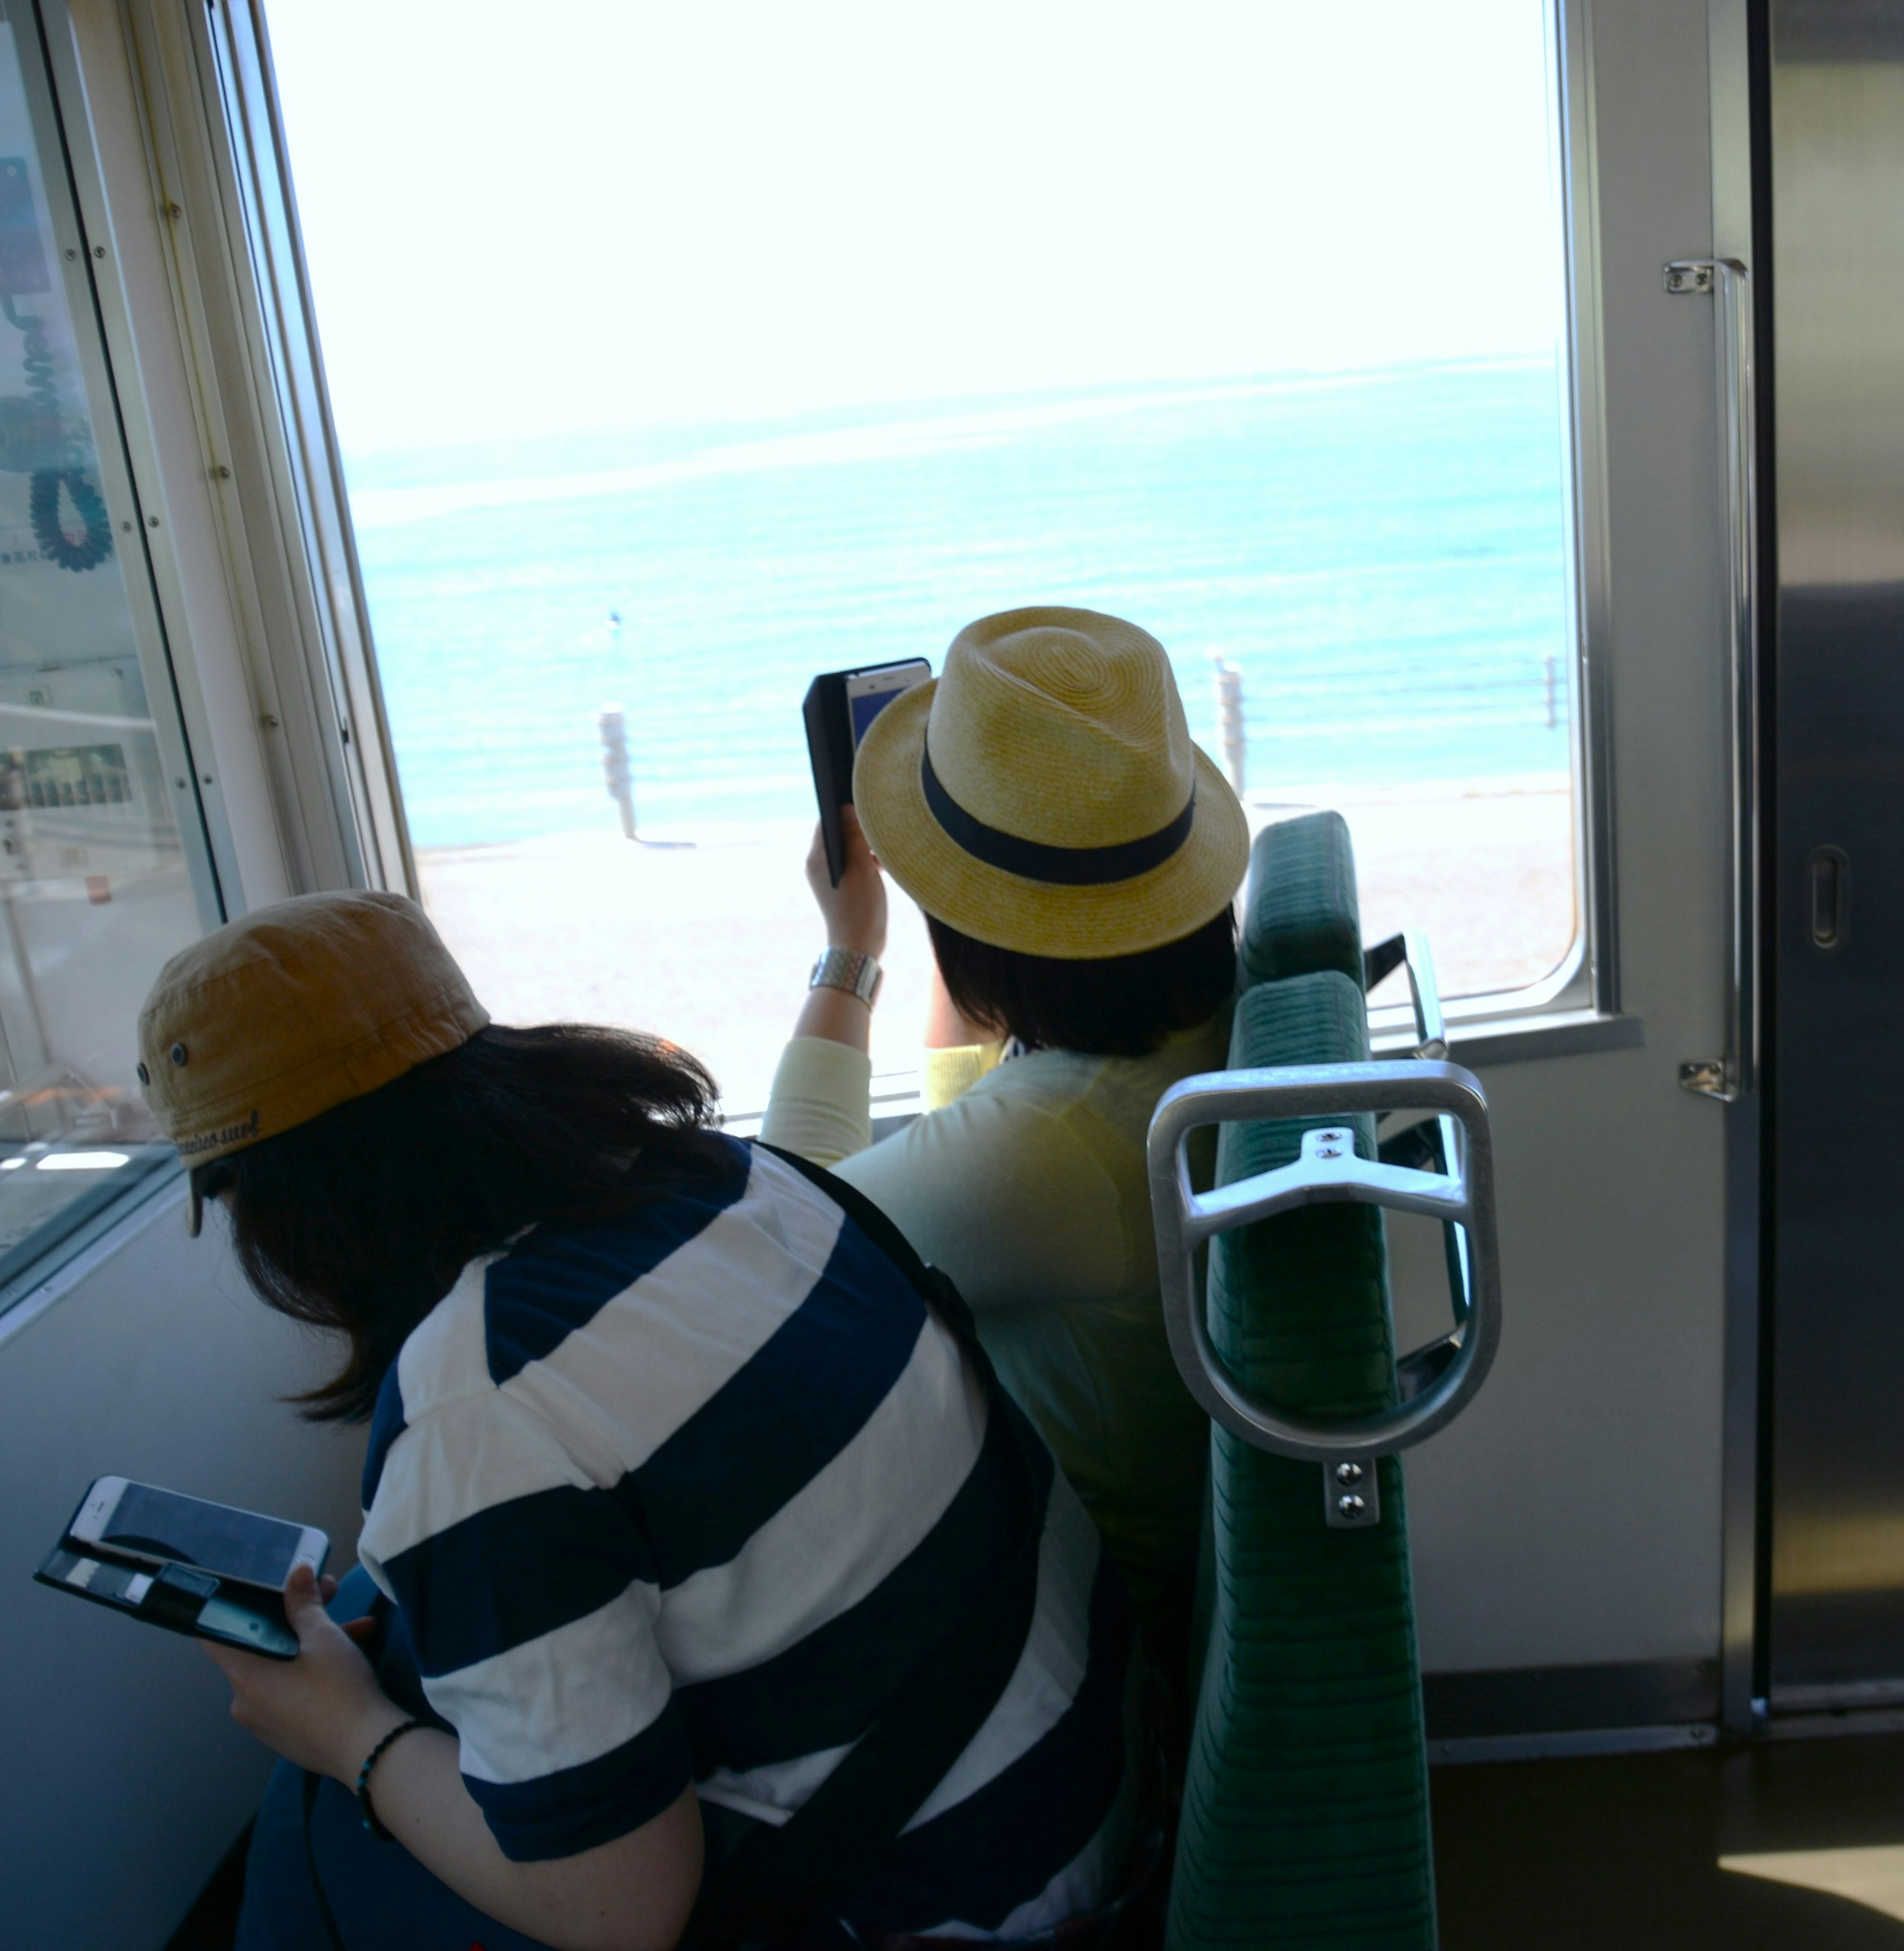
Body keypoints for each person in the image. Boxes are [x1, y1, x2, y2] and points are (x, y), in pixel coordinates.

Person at [140, 891, 1132, 1951]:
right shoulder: (742, 1177)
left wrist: (347, 1737)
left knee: (314, 1832)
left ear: (285, 1208)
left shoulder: (480, 1406)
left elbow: (621, 1915)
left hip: (956, 1908)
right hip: (1088, 1775)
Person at [759, 607, 1246, 1638]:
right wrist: (977, 908)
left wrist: (852, 946)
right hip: (1127, 1563)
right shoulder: (1186, 1024)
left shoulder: (1049, 1150)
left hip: (1071, 1629)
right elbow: (974, 1112)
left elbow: (776, 1245)